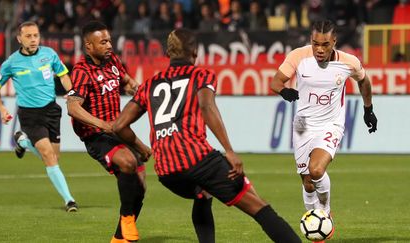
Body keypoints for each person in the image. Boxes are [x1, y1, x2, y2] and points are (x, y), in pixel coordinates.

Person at [112, 28, 301, 243]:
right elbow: (207, 106)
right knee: (257, 204)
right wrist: (229, 150)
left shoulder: (149, 85)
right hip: (198, 160)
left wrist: (141, 147)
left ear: (167, 53)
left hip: (166, 170)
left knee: (203, 194)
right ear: (195, 52)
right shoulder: (201, 75)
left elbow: (118, 126)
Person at [271, 19, 378, 242]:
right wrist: (284, 92)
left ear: (334, 42)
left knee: (316, 170)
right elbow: (276, 81)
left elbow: (364, 81)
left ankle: (325, 212)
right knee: (307, 182)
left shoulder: (349, 62)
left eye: (325, 44)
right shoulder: (298, 56)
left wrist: (368, 110)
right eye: (315, 43)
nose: (319, 49)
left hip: (331, 124)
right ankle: (314, 220)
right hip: (302, 125)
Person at [66, 21, 150, 243]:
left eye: (109, 40)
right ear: (89, 46)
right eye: (103, 42)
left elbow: (129, 83)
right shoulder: (82, 71)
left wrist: (144, 94)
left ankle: (120, 237)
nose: (109, 45)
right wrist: (104, 125)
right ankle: (128, 220)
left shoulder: (112, 61)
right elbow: (72, 107)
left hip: (118, 130)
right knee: (127, 162)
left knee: (140, 183)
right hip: (96, 135)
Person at [0, 21, 78, 212]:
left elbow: (63, 74)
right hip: (30, 115)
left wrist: (71, 92)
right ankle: (69, 200)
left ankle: (22, 142)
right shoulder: (11, 62)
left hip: (51, 110)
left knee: (54, 157)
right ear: (19, 39)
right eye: (28, 36)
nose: (33, 40)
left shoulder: (49, 54)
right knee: (48, 155)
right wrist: (1, 108)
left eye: (36, 36)